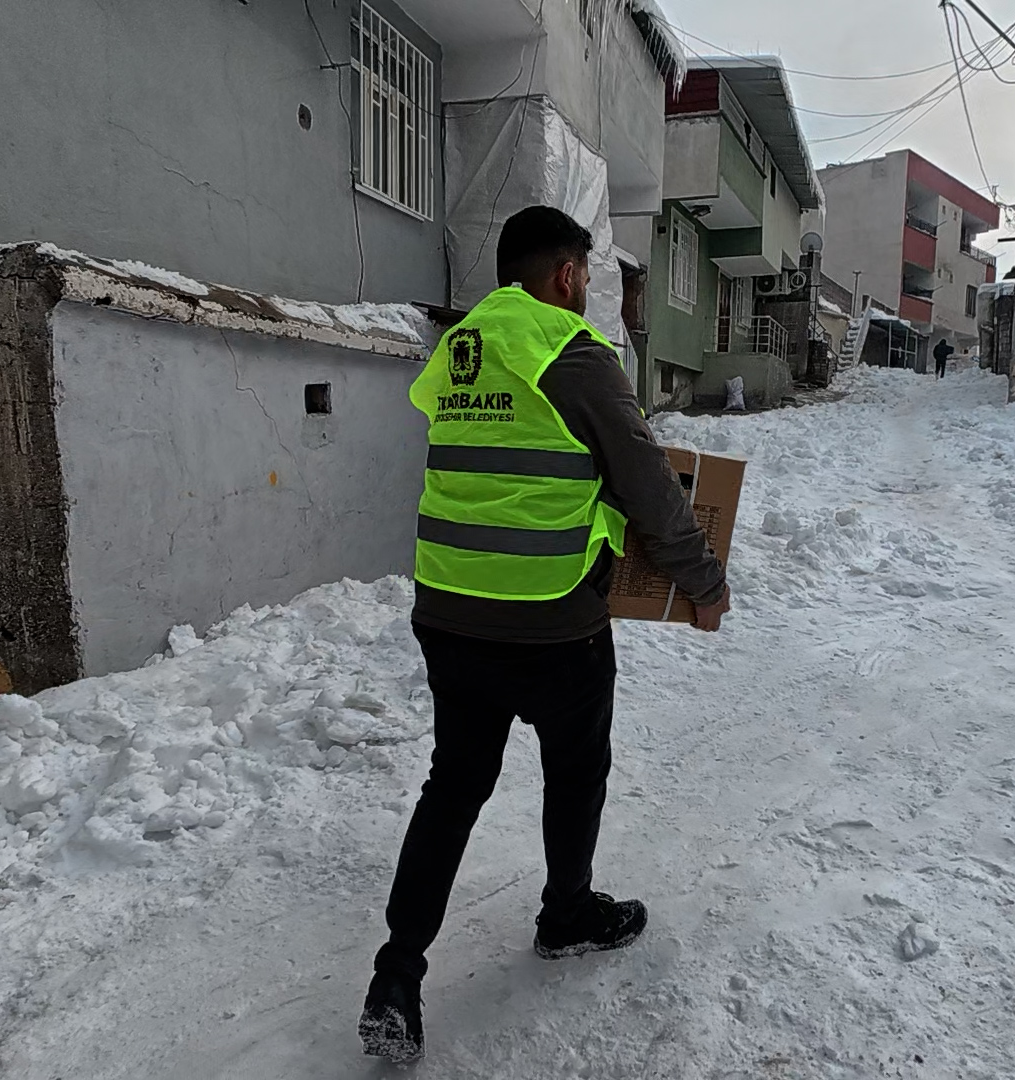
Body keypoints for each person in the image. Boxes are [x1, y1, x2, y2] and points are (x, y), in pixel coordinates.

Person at [359, 206, 732, 1063]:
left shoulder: (458, 353)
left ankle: (398, 972)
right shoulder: (574, 355)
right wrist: (703, 586)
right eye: (588, 275)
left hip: (448, 611)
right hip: (552, 620)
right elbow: (653, 490)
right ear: (564, 274)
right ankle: (566, 915)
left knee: (453, 787)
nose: (590, 290)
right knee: (574, 770)